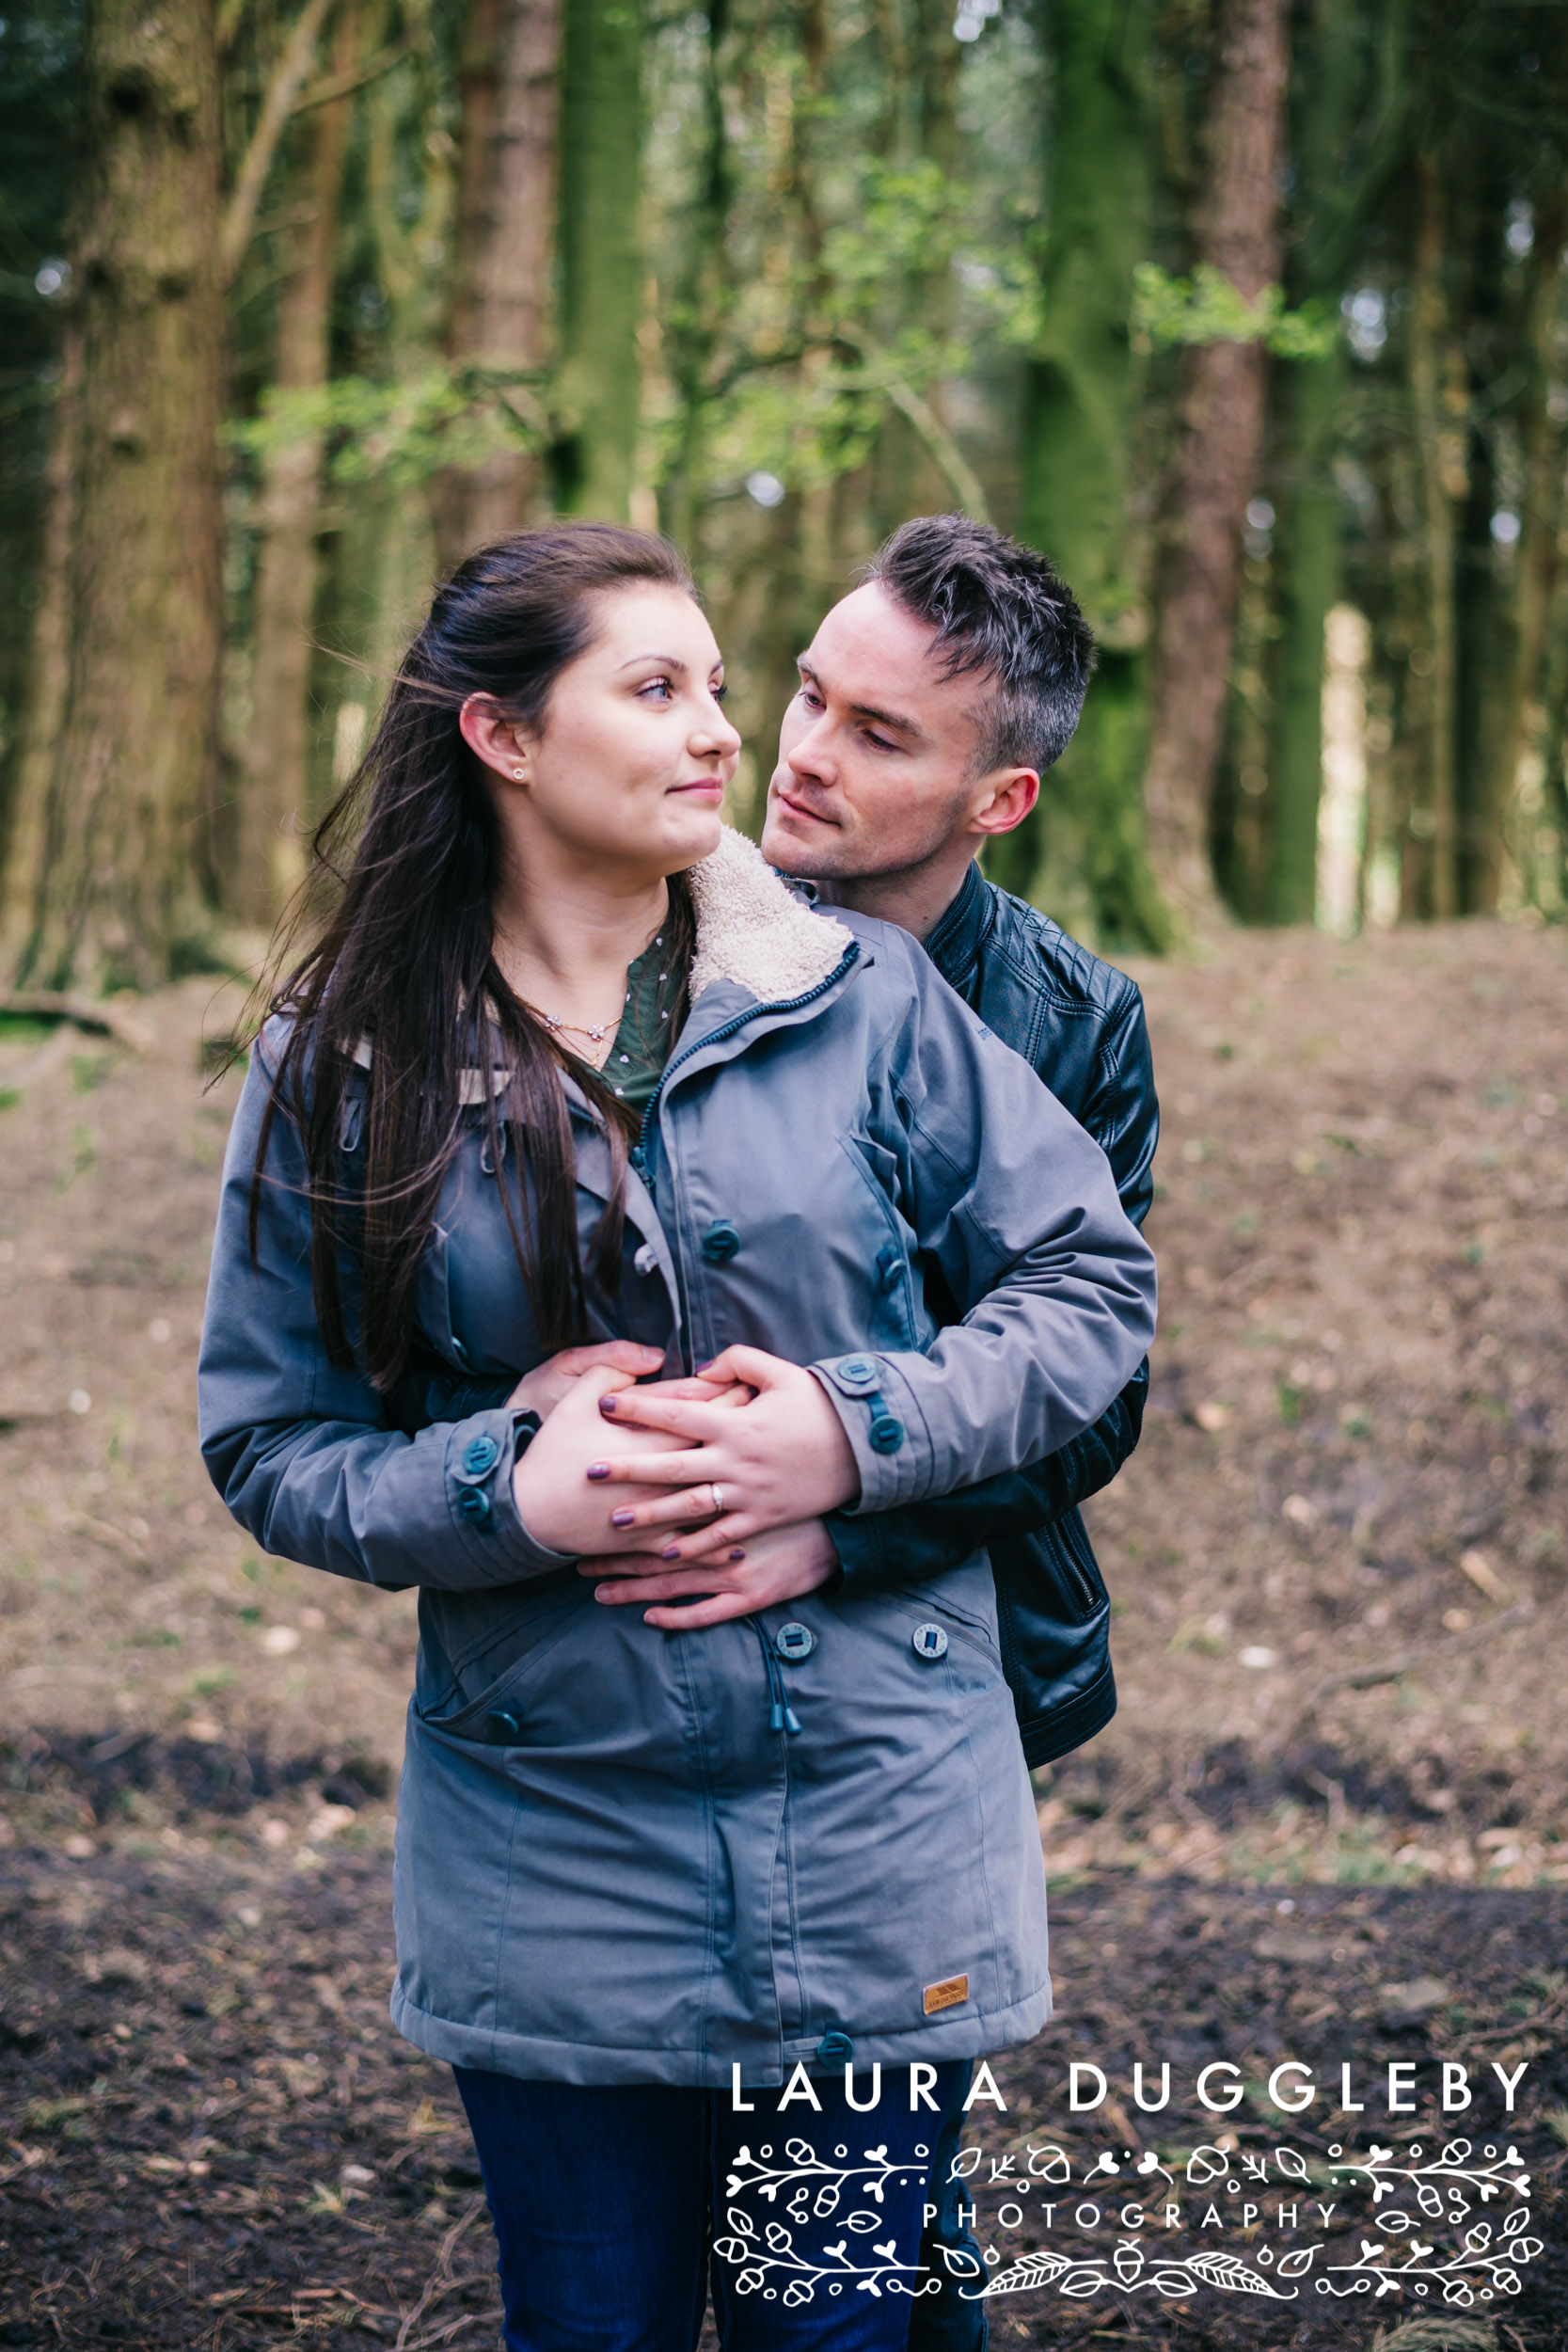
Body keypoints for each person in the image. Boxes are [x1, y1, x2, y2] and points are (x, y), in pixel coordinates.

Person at [198, 523, 1156, 2349]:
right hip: (549, 1839)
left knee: (856, 2312)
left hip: (881, 1795)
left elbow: (1085, 1323)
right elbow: (275, 1437)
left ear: (996, 794)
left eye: (856, 728)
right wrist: (506, 1481)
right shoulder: (345, 1053)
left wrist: (838, 1457)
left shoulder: (945, 1011)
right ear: (500, 735)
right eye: (703, 688)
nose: (759, 743)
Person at [568, 515, 1159, 2351]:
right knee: (742, 2201)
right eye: (806, 690)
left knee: (847, 2182)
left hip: (937, 1664)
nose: (803, 752)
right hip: (652, 1686)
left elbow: (1086, 1384)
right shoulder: (632, 938)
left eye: (881, 732)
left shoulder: (1066, 1019)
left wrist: (841, 1512)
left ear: (1003, 796)